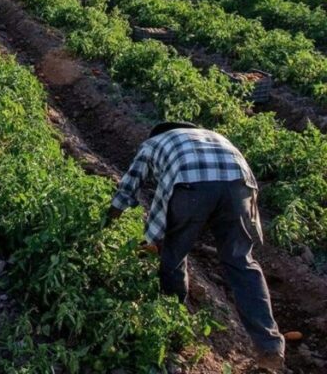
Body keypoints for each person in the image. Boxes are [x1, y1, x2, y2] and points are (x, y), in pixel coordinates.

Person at [105, 122, 285, 371]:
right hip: (238, 186)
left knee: (173, 255)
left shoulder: (153, 143)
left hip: (191, 188)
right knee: (241, 262)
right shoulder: (214, 137)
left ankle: (172, 322)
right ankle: (269, 346)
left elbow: (128, 186)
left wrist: (107, 221)